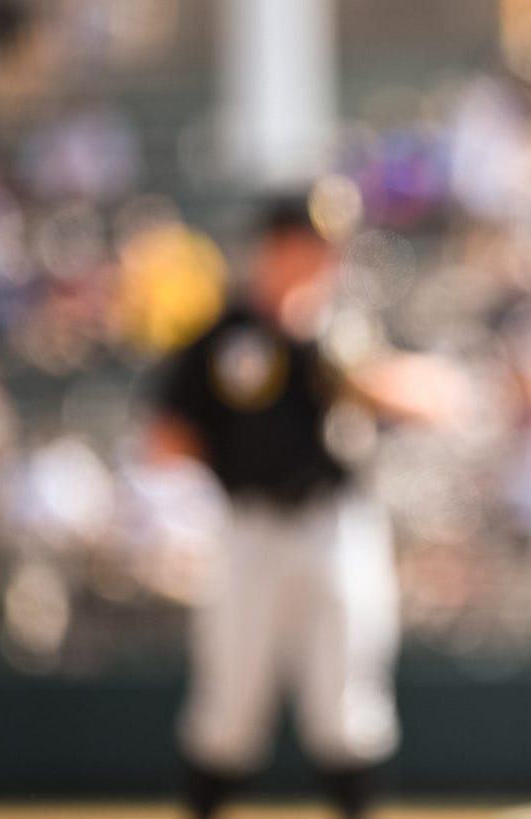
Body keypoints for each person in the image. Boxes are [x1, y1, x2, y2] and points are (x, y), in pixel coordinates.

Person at [149, 199, 438, 819]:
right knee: (228, 707)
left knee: (348, 706)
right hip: (250, 527)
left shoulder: (345, 331)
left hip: (334, 523)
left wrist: (366, 380)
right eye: (312, 243)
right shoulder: (224, 334)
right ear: (276, 245)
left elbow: (437, 397)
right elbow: (164, 439)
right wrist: (233, 457)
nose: (325, 258)